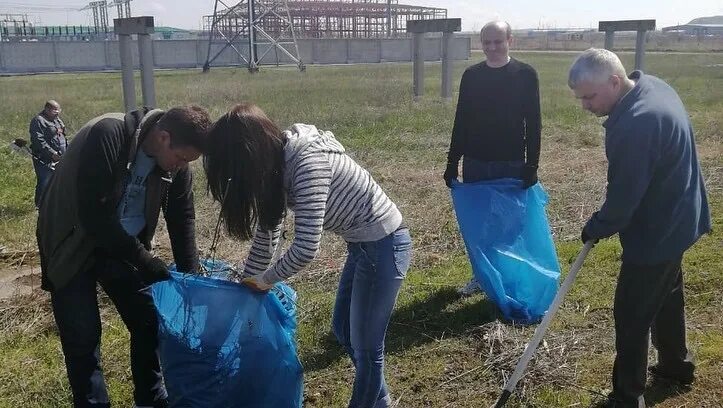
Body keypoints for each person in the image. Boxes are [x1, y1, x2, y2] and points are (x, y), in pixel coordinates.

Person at [203, 103, 412, 408]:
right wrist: (246, 283)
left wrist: (265, 281)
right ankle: (379, 399)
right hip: (362, 247)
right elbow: (268, 233)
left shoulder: (307, 166)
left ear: (251, 154)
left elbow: (305, 249)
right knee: (344, 330)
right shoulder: (277, 167)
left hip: (385, 245)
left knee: (367, 347)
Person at [36, 106, 212, 408]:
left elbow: (182, 220)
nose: (181, 166)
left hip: (122, 246)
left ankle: (151, 398)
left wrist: (190, 280)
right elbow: (95, 217)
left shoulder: (176, 168)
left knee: (148, 320)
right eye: (181, 157)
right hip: (72, 242)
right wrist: (145, 261)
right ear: (163, 137)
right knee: (83, 336)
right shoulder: (109, 135)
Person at [568, 48, 711, 407]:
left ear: (615, 82)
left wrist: (596, 226)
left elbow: (622, 201)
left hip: (659, 229)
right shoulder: (651, 85)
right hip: (680, 215)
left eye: (589, 96)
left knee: (631, 314)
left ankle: (627, 396)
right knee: (667, 292)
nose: (584, 105)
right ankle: (676, 365)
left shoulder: (636, 123)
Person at [444, 21, 541, 296]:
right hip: (476, 162)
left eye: (498, 41)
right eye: (486, 42)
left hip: (510, 162)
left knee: (509, 225)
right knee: (479, 225)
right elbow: (461, 120)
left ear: (510, 40)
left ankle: (509, 277)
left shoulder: (525, 74)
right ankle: (482, 277)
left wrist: (532, 164)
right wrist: (452, 161)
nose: (492, 47)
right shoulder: (472, 76)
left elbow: (534, 124)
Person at [29, 100, 67, 207]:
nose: (57, 112)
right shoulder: (38, 120)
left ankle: (53, 204)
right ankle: (40, 206)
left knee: (57, 182)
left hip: (60, 157)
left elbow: (62, 135)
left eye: (58, 109)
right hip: (44, 158)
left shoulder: (57, 120)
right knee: (45, 181)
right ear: (47, 109)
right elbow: (38, 140)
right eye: (55, 110)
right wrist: (52, 153)